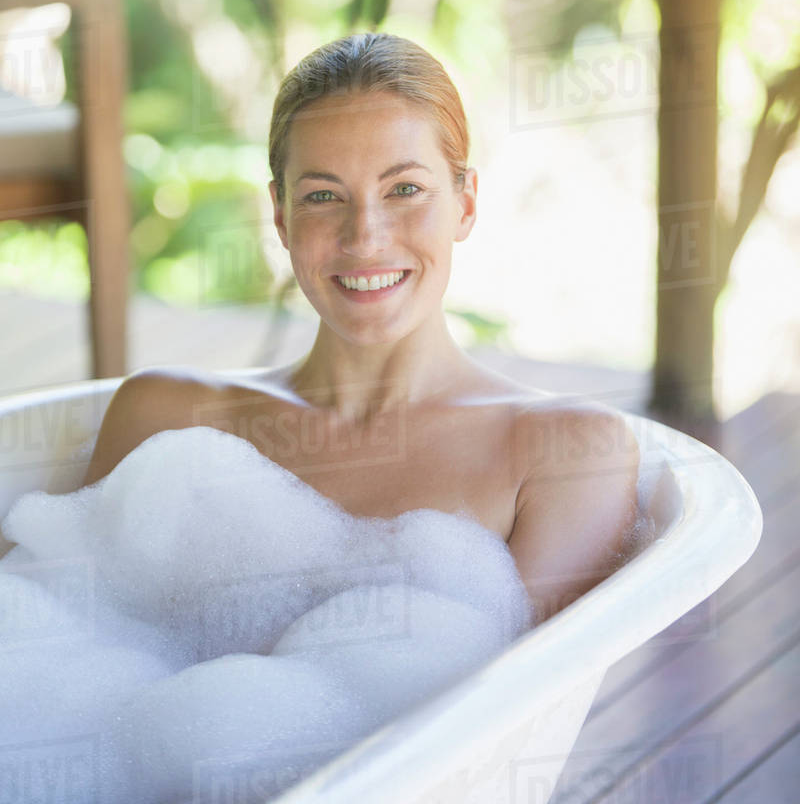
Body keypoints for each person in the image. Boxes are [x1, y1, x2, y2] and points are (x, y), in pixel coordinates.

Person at [82, 31, 640, 624]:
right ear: (281, 216)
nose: (364, 237)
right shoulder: (164, 422)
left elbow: (525, 702)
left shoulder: (566, 456)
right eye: (323, 196)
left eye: (404, 189)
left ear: (466, 204)